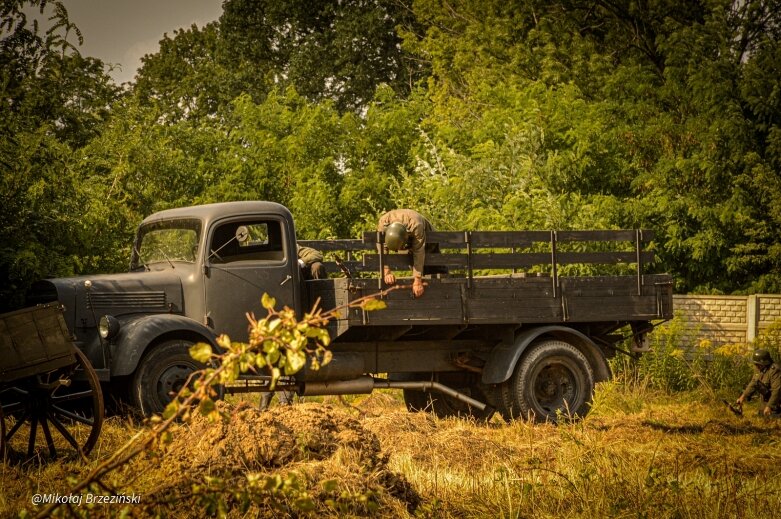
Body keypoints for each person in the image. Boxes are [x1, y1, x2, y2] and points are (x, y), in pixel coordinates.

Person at [377, 209, 437, 298]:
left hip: (429, 238)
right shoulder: (383, 223)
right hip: (407, 237)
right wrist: (386, 272)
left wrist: (417, 281)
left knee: (434, 265)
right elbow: (382, 248)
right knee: (409, 260)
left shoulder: (416, 225)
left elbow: (419, 251)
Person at [736, 349, 781, 417]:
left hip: (777, 403)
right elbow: (754, 383)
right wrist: (743, 396)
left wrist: (769, 406)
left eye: (758, 364)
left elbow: (777, 390)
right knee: (761, 416)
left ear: (764, 363)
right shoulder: (759, 368)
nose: (756, 366)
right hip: (765, 402)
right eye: (755, 364)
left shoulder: (775, 370)